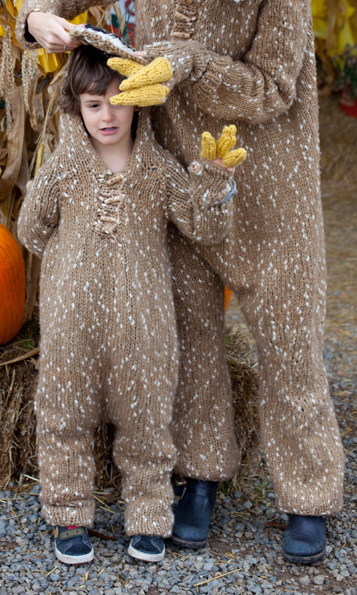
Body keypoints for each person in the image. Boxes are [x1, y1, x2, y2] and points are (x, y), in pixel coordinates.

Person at [16, 0, 345, 565]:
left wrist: (187, 64)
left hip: (265, 176)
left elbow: (272, 88)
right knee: (192, 330)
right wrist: (39, 14)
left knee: (287, 333)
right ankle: (200, 476)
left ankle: (309, 493)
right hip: (172, 165)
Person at [17, 43, 243, 566]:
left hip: (145, 326)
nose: (108, 114)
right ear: (76, 107)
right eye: (93, 103)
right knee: (64, 415)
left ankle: (148, 518)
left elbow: (204, 231)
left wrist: (212, 184)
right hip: (73, 323)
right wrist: (74, 263)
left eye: (119, 100)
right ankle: (69, 514)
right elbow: (31, 230)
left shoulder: (159, 170)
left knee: (146, 422)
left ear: (140, 103)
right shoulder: (62, 169)